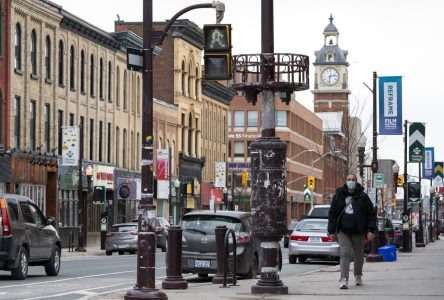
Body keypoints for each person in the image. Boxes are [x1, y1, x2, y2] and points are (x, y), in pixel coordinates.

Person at [328, 174, 376, 289]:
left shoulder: (363, 196)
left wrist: (371, 230)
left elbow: (371, 214)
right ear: (346, 181)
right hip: (343, 230)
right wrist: (331, 231)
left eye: (353, 180)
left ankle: (358, 275)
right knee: (345, 253)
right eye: (349, 180)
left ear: (356, 182)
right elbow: (332, 214)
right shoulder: (338, 195)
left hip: (358, 231)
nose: (351, 181)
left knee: (359, 255)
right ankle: (344, 279)